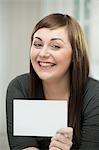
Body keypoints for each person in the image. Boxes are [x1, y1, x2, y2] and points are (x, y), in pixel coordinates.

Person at [6, 13, 99, 150]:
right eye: (37, 44)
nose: (43, 53)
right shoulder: (20, 87)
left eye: (55, 46)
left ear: (75, 54)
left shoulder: (94, 95)